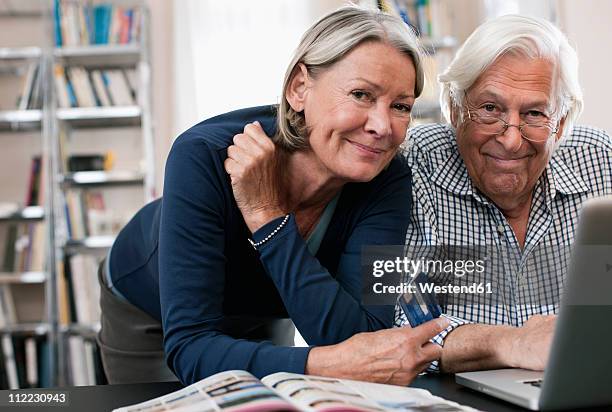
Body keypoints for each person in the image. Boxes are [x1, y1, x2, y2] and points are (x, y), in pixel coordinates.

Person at [97, 6, 448, 386]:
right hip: (150, 310)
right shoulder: (204, 154)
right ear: (299, 88)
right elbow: (191, 347)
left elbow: (361, 340)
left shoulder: (388, 176)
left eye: (400, 106)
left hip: (263, 312)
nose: (382, 126)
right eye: (361, 94)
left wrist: (267, 216)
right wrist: (325, 363)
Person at [395, 14, 611, 373]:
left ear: (559, 123)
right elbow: (400, 319)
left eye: (535, 113)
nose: (511, 140)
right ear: (455, 108)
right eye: (490, 109)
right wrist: (512, 343)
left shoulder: (599, 160)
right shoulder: (414, 165)